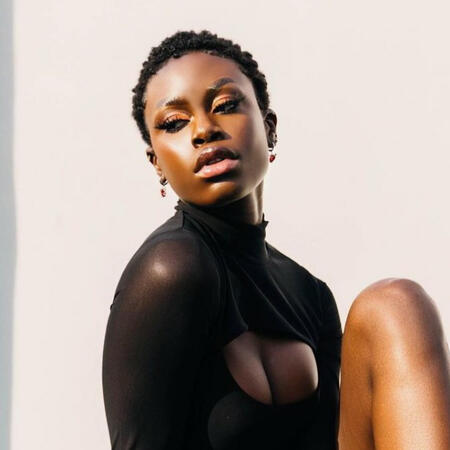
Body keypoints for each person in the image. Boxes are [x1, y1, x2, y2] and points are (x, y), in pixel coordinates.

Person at [102, 30, 450, 449]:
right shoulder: (170, 270)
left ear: (269, 129)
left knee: (395, 304)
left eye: (225, 106)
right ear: (156, 162)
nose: (204, 130)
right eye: (175, 123)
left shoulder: (310, 295)